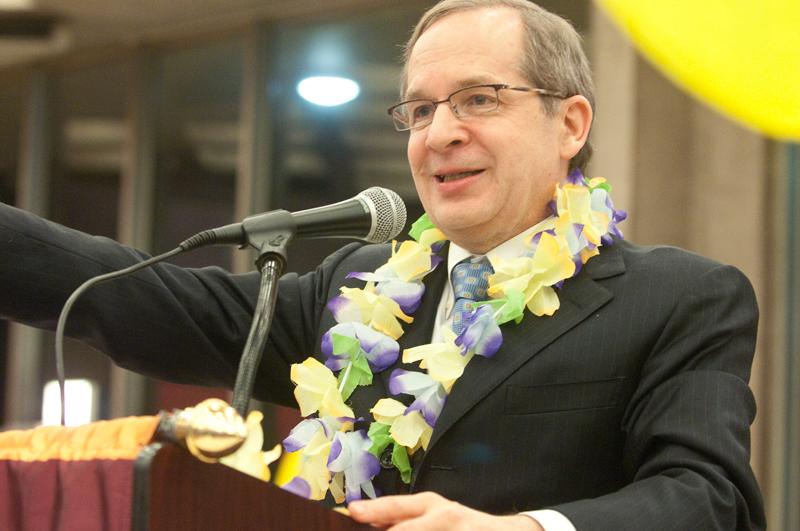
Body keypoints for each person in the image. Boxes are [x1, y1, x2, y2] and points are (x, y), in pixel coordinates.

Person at [0, 1, 765, 530]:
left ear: (570, 123)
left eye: (478, 100)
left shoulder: (682, 297)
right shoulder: (358, 287)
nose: (441, 134)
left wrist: (520, 527)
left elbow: (707, 499)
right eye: (421, 110)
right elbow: (151, 300)